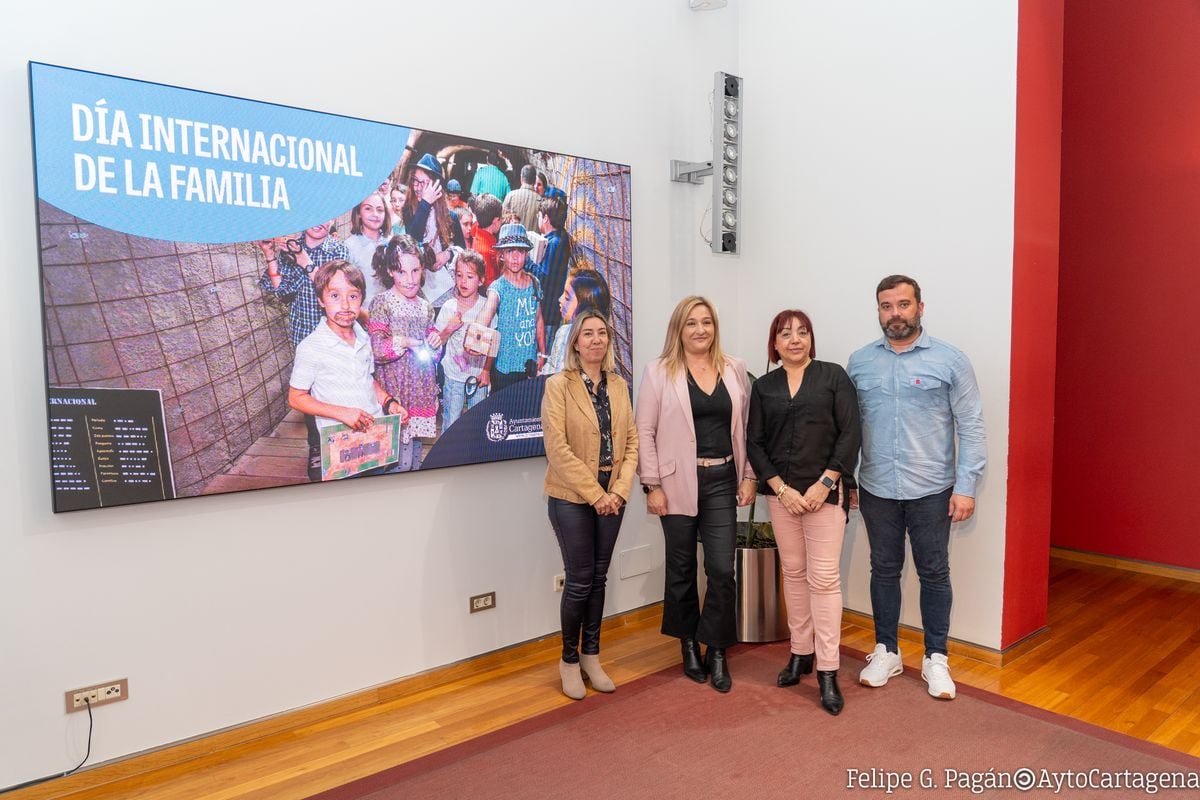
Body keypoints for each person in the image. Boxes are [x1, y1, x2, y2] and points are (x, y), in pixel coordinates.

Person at [847, 274, 986, 701]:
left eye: (904, 305)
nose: (896, 314)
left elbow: (972, 426)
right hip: (876, 488)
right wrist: (849, 480)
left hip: (932, 489)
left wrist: (965, 487)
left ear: (920, 308)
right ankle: (886, 650)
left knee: (934, 573)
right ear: (878, 311)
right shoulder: (860, 362)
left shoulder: (950, 360)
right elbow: (849, 428)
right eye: (887, 306)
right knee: (883, 571)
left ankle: (935, 658)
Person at [635, 296, 756, 693]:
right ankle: (688, 643)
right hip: (675, 484)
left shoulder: (734, 368)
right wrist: (652, 486)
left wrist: (749, 476)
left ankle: (717, 648)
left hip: (723, 478)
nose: (700, 329)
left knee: (722, 570)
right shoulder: (658, 372)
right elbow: (645, 433)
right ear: (679, 329)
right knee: (682, 568)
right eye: (691, 323)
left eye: (706, 322)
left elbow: (749, 430)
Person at [746, 309, 860, 715]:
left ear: (811, 339)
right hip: (782, 497)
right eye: (785, 333)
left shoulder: (833, 377)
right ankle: (800, 653)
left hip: (825, 495)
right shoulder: (765, 387)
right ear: (774, 343)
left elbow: (851, 433)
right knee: (793, 574)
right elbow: (754, 443)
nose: (794, 339)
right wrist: (780, 488)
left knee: (824, 579)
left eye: (802, 332)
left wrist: (825, 483)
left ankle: (828, 670)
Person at [541, 311, 639, 699]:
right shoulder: (557, 386)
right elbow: (557, 449)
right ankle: (568, 660)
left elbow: (631, 442)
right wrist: (597, 495)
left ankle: (591, 656)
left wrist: (619, 491)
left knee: (599, 578)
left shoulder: (619, 385)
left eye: (602, 333)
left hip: (613, 496)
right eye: (588, 334)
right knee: (580, 581)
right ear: (575, 342)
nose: (596, 339)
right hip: (571, 498)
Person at [288, 260, 407, 478]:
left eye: (352, 296)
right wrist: (342, 413)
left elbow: (367, 379)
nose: (345, 305)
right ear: (320, 300)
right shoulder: (311, 347)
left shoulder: (362, 335)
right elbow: (296, 398)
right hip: (340, 445)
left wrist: (389, 402)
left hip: (374, 435)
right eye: (334, 296)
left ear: (362, 299)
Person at [367, 236, 439, 472]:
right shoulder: (382, 303)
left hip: (421, 393)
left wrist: (435, 343)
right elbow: (377, 350)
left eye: (415, 270)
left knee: (415, 459)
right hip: (395, 395)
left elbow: (432, 352)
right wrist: (405, 342)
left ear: (423, 268)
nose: (410, 279)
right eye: (401, 272)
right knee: (396, 462)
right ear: (389, 271)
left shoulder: (426, 306)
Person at [478, 223, 545, 393]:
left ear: (526, 254)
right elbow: (486, 314)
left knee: (524, 413)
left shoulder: (534, 283)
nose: (515, 257)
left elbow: (538, 320)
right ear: (501, 255)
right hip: (504, 367)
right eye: (509, 251)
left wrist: (542, 353)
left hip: (528, 364)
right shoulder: (498, 288)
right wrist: (476, 332)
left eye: (520, 251)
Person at [432, 250, 492, 429]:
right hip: (454, 376)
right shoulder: (449, 307)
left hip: (478, 376)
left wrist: (487, 370)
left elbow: (492, 343)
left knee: (476, 424)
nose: (463, 281)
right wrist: (449, 328)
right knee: (451, 422)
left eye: (470, 276)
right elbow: (436, 342)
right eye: (459, 275)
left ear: (481, 280)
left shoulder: (486, 306)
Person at [401, 153, 463, 307]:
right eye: (415, 181)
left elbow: (463, 248)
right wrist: (425, 204)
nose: (417, 187)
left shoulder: (450, 217)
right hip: (418, 289)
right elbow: (412, 242)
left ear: (436, 186)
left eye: (424, 183)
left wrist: (448, 254)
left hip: (445, 289)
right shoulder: (409, 210)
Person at [541, 267, 610, 376]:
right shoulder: (562, 332)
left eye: (567, 298)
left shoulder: (594, 346)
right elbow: (551, 364)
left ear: (585, 306)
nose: (560, 299)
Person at [530, 187, 573, 349]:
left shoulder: (554, 243)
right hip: (550, 311)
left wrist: (527, 262)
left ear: (546, 218)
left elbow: (543, 277)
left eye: (539, 216)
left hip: (548, 313)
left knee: (543, 351)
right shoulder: (559, 237)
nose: (538, 219)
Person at [343, 193, 392, 305]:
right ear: (359, 213)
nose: (375, 214)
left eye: (380, 210)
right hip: (363, 311)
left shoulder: (392, 242)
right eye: (368, 209)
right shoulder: (349, 246)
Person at [469, 194, 503, 286]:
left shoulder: (475, 227)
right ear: (496, 221)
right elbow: (490, 285)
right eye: (501, 219)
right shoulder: (486, 251)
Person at [502, 164, 541, 231]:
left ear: (521, 178)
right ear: (534, 181)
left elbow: (502, 220)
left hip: (513, 239)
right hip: (532, 241)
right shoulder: (540, 201)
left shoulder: (510, 196)